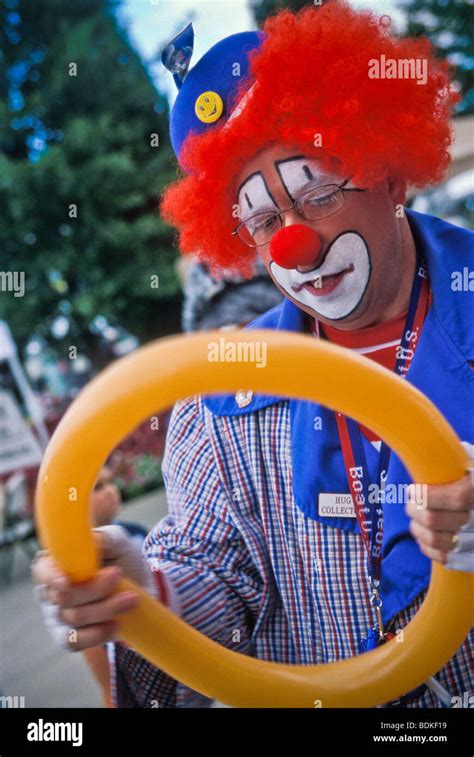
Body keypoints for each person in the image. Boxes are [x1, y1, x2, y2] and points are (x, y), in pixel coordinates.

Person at [32, 2, 473, 709]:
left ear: (390, 173)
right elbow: (215, 574)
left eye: (318, 195)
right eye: (264, 221)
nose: (293, 244)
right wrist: (142, 589)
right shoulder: (222, 391)